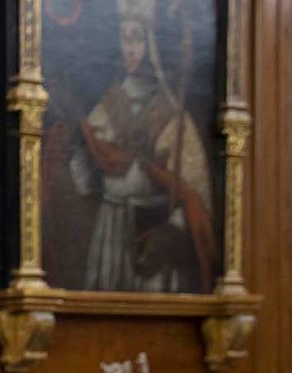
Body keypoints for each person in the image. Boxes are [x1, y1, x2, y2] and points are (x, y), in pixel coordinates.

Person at [65, 0, 215, 293]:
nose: (129, 49)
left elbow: (195, 195)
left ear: (154, 44)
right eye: (124, 38)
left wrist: (170, 232)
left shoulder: (173, 117)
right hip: (109, 234)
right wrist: (81, 150)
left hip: (151, 237)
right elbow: (85, 183)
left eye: (138, 39)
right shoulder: (107, 107)